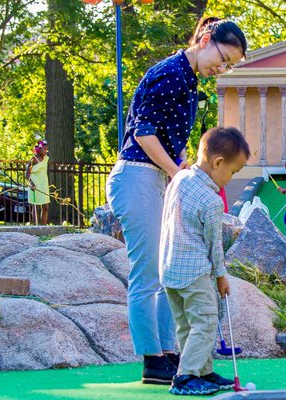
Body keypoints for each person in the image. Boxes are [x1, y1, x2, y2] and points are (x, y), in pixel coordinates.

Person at [105, 16, 247, 386]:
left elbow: (168, 138)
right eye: (223, 57)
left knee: (168, 271)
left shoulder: (187, 80)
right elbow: (145, 134)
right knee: (149, 273)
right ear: (205, 38)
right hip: (137, 176)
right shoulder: (171, 74)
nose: (222, 68)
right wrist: (178, 172)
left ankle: (172, 356)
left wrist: (176, 167)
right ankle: (153, 359)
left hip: (156, 177)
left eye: (229, 65)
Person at [160, 127, 249, 396]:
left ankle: (202, 371)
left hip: (168, 268)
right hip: (194, 271)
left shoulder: (179, 179)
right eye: (232, 172)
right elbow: (214, 245)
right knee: (206, 323)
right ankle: (185, 377)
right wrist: (221, 276)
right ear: (218, 163)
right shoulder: (211, 200)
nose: (231, 179)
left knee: (187, 325)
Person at [25, 140, 50, 225]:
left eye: (46, 149)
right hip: (35, 185)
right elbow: (27, 174)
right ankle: (36, 226)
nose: (45, 151)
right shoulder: (33, 159)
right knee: (36, 207)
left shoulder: (46, 158)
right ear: (39, 149)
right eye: (44, 149)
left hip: (44, 185)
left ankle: (44, 227)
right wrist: (31, 184)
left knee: (45, 207)